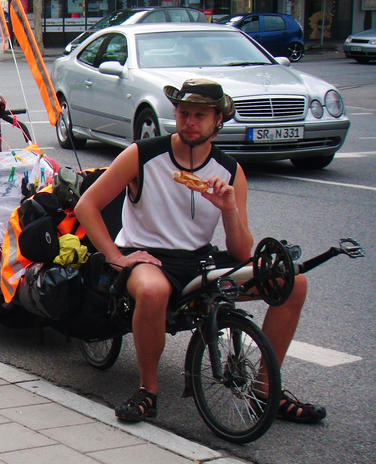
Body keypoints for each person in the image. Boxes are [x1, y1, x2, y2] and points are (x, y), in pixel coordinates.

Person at [74, 78, 326, 425]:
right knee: (152, 289)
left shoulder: (229, 170)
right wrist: (117, 257)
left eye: (200, 116)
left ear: (218, 121)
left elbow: (240, 251)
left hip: (200, 259)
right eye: (184, 113)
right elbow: (87, 206)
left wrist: (228, 208)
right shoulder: (143, 155)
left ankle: (265, 392)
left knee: (293, 282)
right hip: (146, 253)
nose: (190, 122)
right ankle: (148, 390)